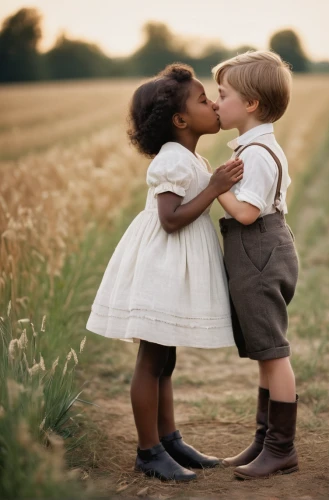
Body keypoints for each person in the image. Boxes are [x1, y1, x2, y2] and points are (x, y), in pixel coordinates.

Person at [86, 63, 244, 482]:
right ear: (180, 120)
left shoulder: (190, 156)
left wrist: (211, 181)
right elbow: (171, 219)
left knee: (165, 359)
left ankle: (169, 439)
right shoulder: (172, 161)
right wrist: (214, 188)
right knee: (151, 359)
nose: (212, 102)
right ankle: (148, 450)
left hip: (174, 265)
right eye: (202, 99)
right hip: (162, 265)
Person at [211, 51, 299, 480]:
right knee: (265, 353)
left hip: (259, 248)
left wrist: (215, 187)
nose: (215, 101)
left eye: (223, 94)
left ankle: (281, 448)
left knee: (274, 352)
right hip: (256, 251)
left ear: (250, 104)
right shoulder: (253, 146)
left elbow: (246, 213)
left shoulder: (259, 153)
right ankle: (264, 440)